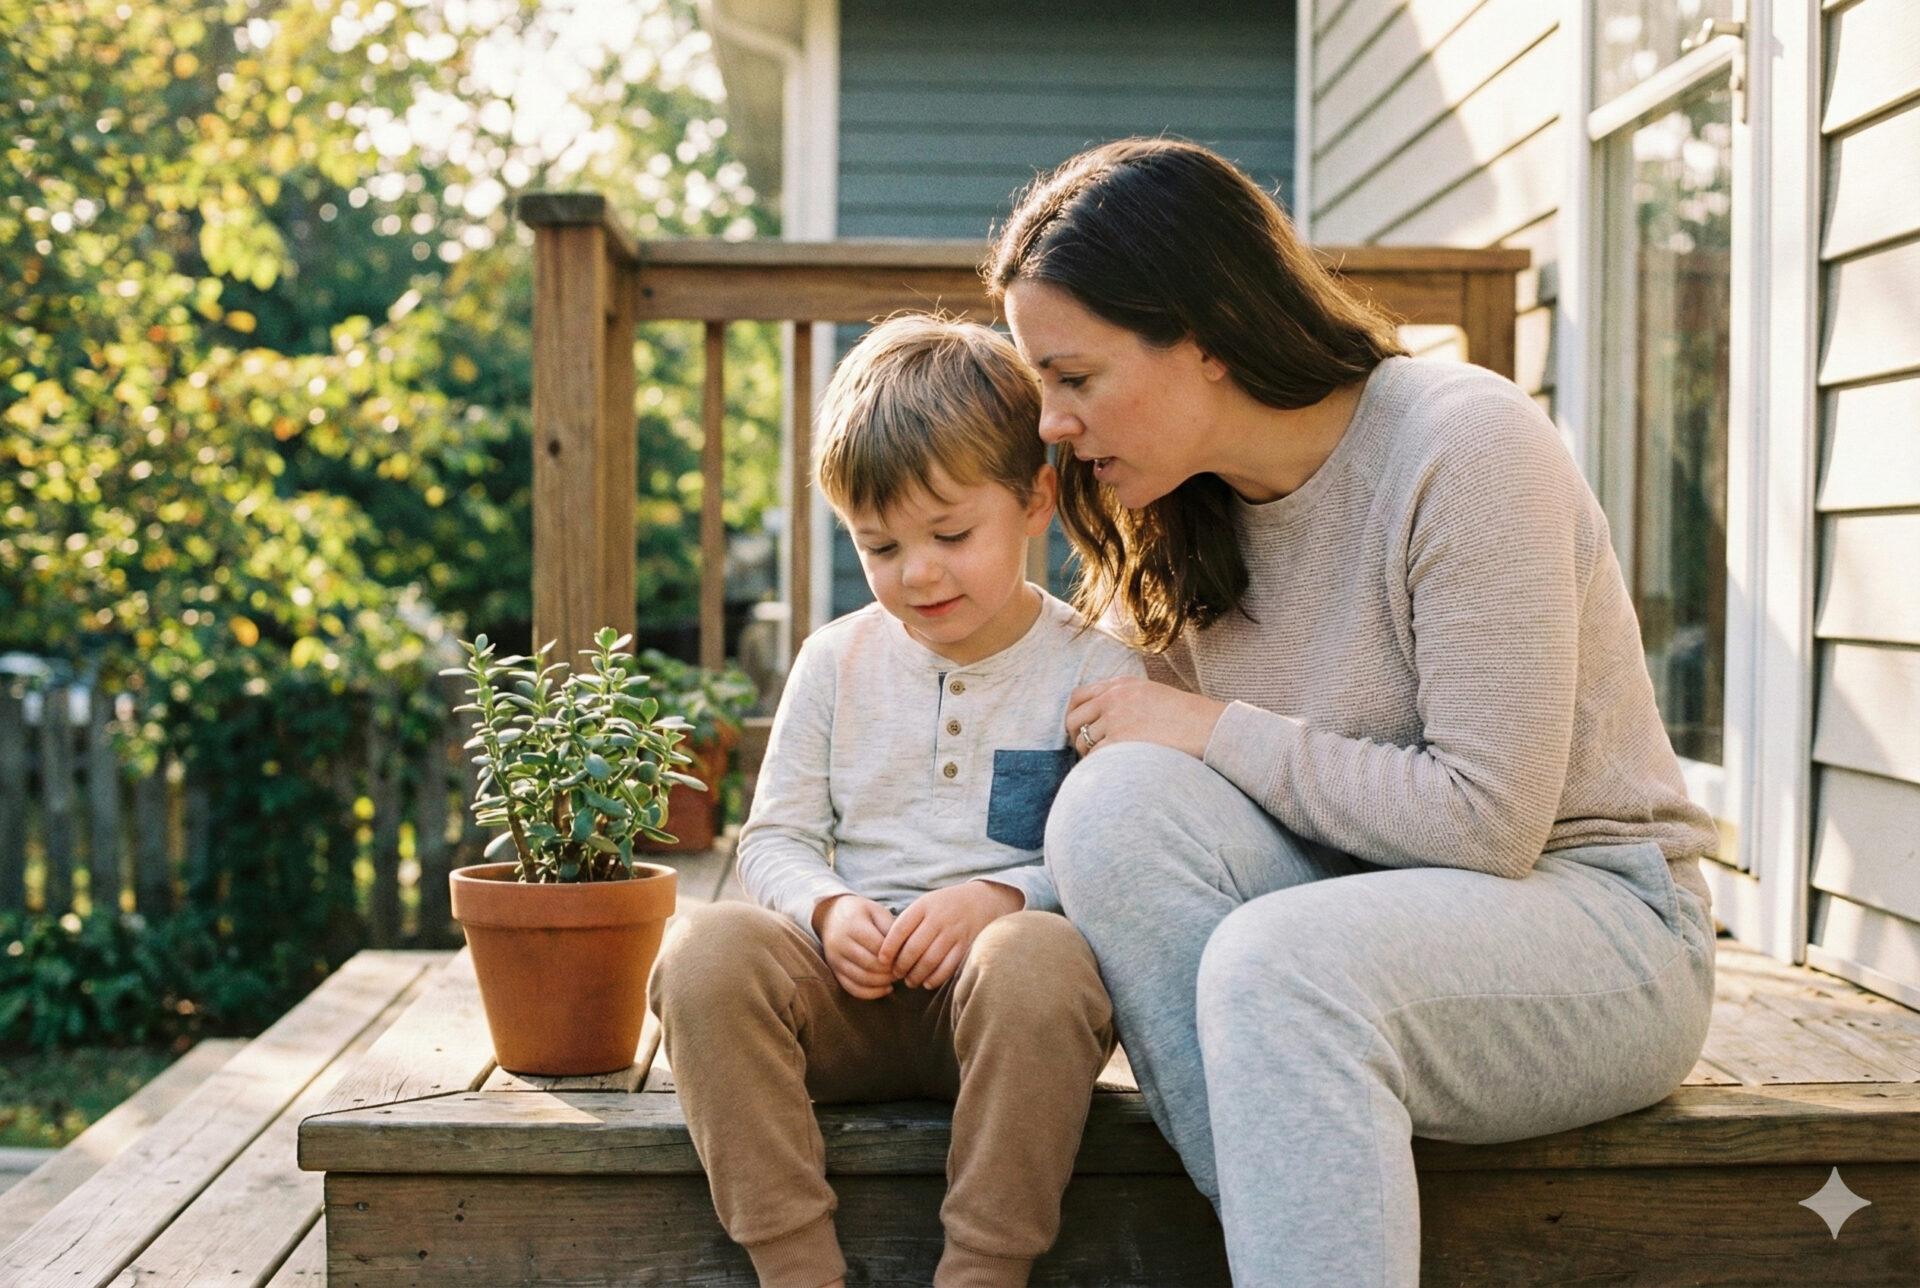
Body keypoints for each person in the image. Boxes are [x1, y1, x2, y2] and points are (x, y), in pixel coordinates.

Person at [985, 139, 1720, 1286]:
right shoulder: (1185, 515)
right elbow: (1168, 824)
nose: (1052, 425)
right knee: (1110, 808)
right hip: (1355, 919)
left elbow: (1490, 822)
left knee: (1277, 964)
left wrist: (1217, 731)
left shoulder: (1461, 442)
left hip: (1601, 924)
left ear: (1208, 333)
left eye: (1074, 377)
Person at [649, 314, 1144, 1288]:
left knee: (1041, 959)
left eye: (951, 533)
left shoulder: (1097, 665)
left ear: (1035, 498)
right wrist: (828, 909)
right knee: (700, 950)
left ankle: (981, 1272)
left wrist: (1004, 898)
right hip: (846, 1000)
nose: (916, 573)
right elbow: (777, 836)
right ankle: (797, 1267)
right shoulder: (836, 658)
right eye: (878, 546)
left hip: (1006, 1026)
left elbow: (1126, 853)